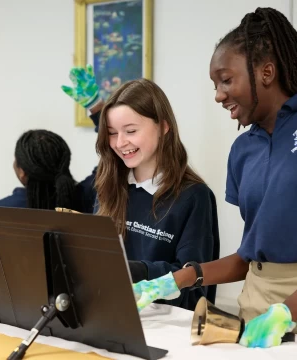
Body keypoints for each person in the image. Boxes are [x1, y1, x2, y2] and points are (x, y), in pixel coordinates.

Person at [133, 7, 297, 348]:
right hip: (256, 310)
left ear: (266, 72)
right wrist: (172, 281)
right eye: (215, 84)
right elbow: (249, 257)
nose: (219, 95)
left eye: (226, 80)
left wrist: (286, 312)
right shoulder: (242, 150)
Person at [62, 65, 220, 311]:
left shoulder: (194, 197)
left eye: (131, 131)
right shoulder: (108, 184)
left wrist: (135, 271)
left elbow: (195, 285)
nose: (120, 142)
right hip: (108, 314)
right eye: (112, 133)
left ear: (164, 127)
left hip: (166, 328)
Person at [0, 129, 96, 213]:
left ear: (22, 173)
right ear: (64, 162)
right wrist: (98, 111)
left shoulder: (0, 211)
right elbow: (111, 161)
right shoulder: (90, 197)